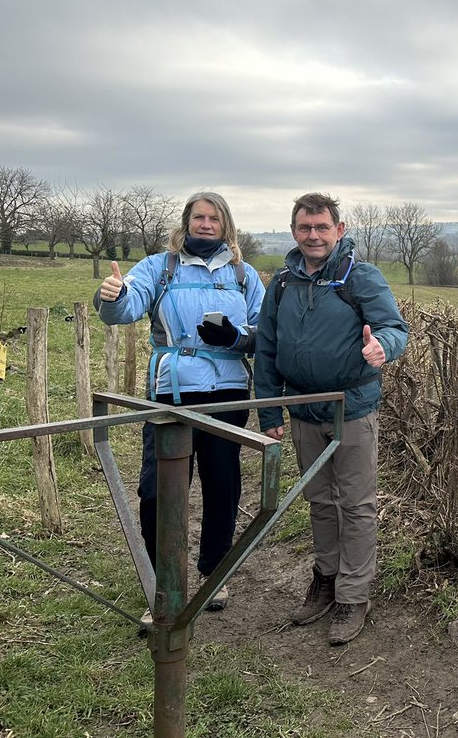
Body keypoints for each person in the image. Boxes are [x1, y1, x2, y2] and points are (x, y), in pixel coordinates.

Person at [94, 191, 265, 621]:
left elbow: (267, 332)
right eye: (198, 217)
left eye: (214, 218)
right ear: (186, 222)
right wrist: (112, 295)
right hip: (172, 391)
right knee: (157, 489)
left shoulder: (244, 274)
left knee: (222, 486)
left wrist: (237, 338)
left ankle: (215, 573)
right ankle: (162, 583)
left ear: (226, 225)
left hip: (227, 393)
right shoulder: (159, 266)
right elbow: (124, 309)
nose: (206, 225)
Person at [254, 191, 408, 645]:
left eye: (322, 227)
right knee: (319, 501)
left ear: (339, 231)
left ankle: (353, 595)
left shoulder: (360, 277)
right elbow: (266, 346)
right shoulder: (281, 283)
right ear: (294, 231)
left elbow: (394, 328)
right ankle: (326, 577)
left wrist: (383, 347)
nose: (314, 235)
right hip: (302, 410)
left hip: (351, 409)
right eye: (305, 227)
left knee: (356, 505)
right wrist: (269, 409)